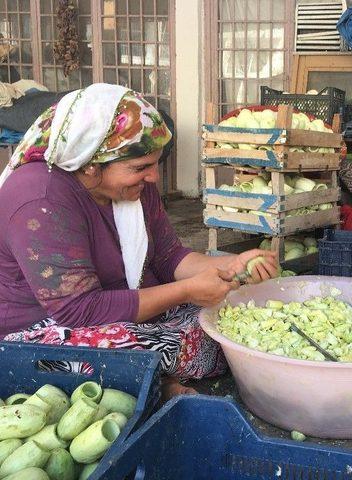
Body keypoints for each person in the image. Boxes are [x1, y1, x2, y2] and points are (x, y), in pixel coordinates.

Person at [0, 83, 279, 398]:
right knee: (123, 351)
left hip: (117, 305)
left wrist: (231, 265)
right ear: (91, 163)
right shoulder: (40, 198)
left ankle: (147, 381)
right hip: (42, 331)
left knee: (228, 316)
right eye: (140, 168)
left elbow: (168, 257)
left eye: (155, 164)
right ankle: (150, 386)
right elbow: (78, 310)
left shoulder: (134, 190)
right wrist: (187, 290)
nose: (153, 178)